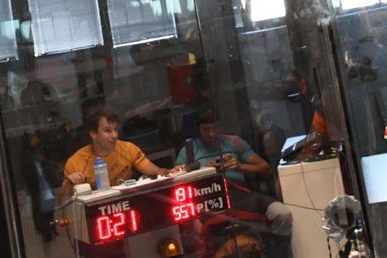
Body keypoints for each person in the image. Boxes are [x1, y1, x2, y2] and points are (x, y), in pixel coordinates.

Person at [175, 108, 292, 257]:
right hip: (208, 202)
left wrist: (239, 166)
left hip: (240, 196)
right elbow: (176, 181)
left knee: (282, 214)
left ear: (220, 126)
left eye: (214, 128)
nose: (211, 133)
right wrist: (205, 173)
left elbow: (266, 169)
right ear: (198, 128)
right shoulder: (189, 151)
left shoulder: (234, 142)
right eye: (206, 129)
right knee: (193, 235)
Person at [58, 106, 179, 203]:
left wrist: (170, 171)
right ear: (93, 134)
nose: (114, 135)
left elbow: (155, 172)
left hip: (130, 203)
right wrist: (70, 183)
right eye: (107, 131)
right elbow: (62, 203)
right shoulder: (76, 162)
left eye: (115, 130)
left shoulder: (128, 148)